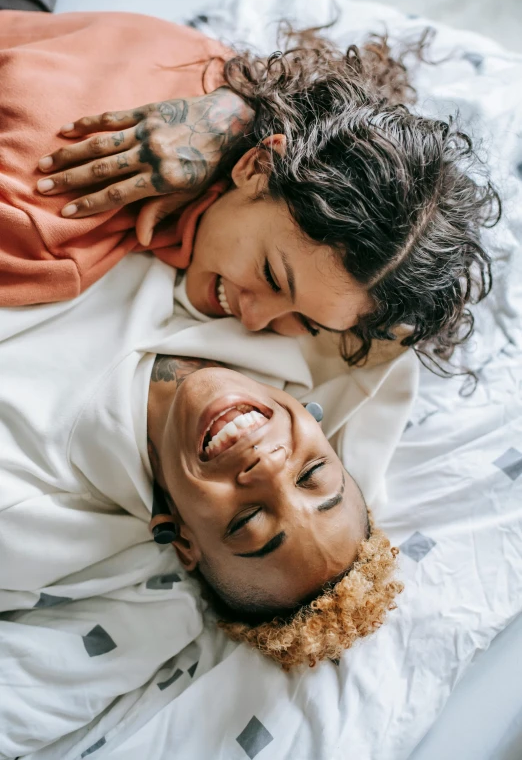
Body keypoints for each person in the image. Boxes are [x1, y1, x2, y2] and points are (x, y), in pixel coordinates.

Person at [0, 10, 499, 372]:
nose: (256, 321)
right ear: (259, 164)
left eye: (309, 322)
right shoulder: (54, 212)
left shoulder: (225, 75)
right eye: (272, 276)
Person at [0, 247, 410, 672]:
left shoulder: (31, 496)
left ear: (180, 539)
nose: (268, 468)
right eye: (312, 472)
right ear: (317, 425)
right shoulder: (292, 318)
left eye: (248, 520)